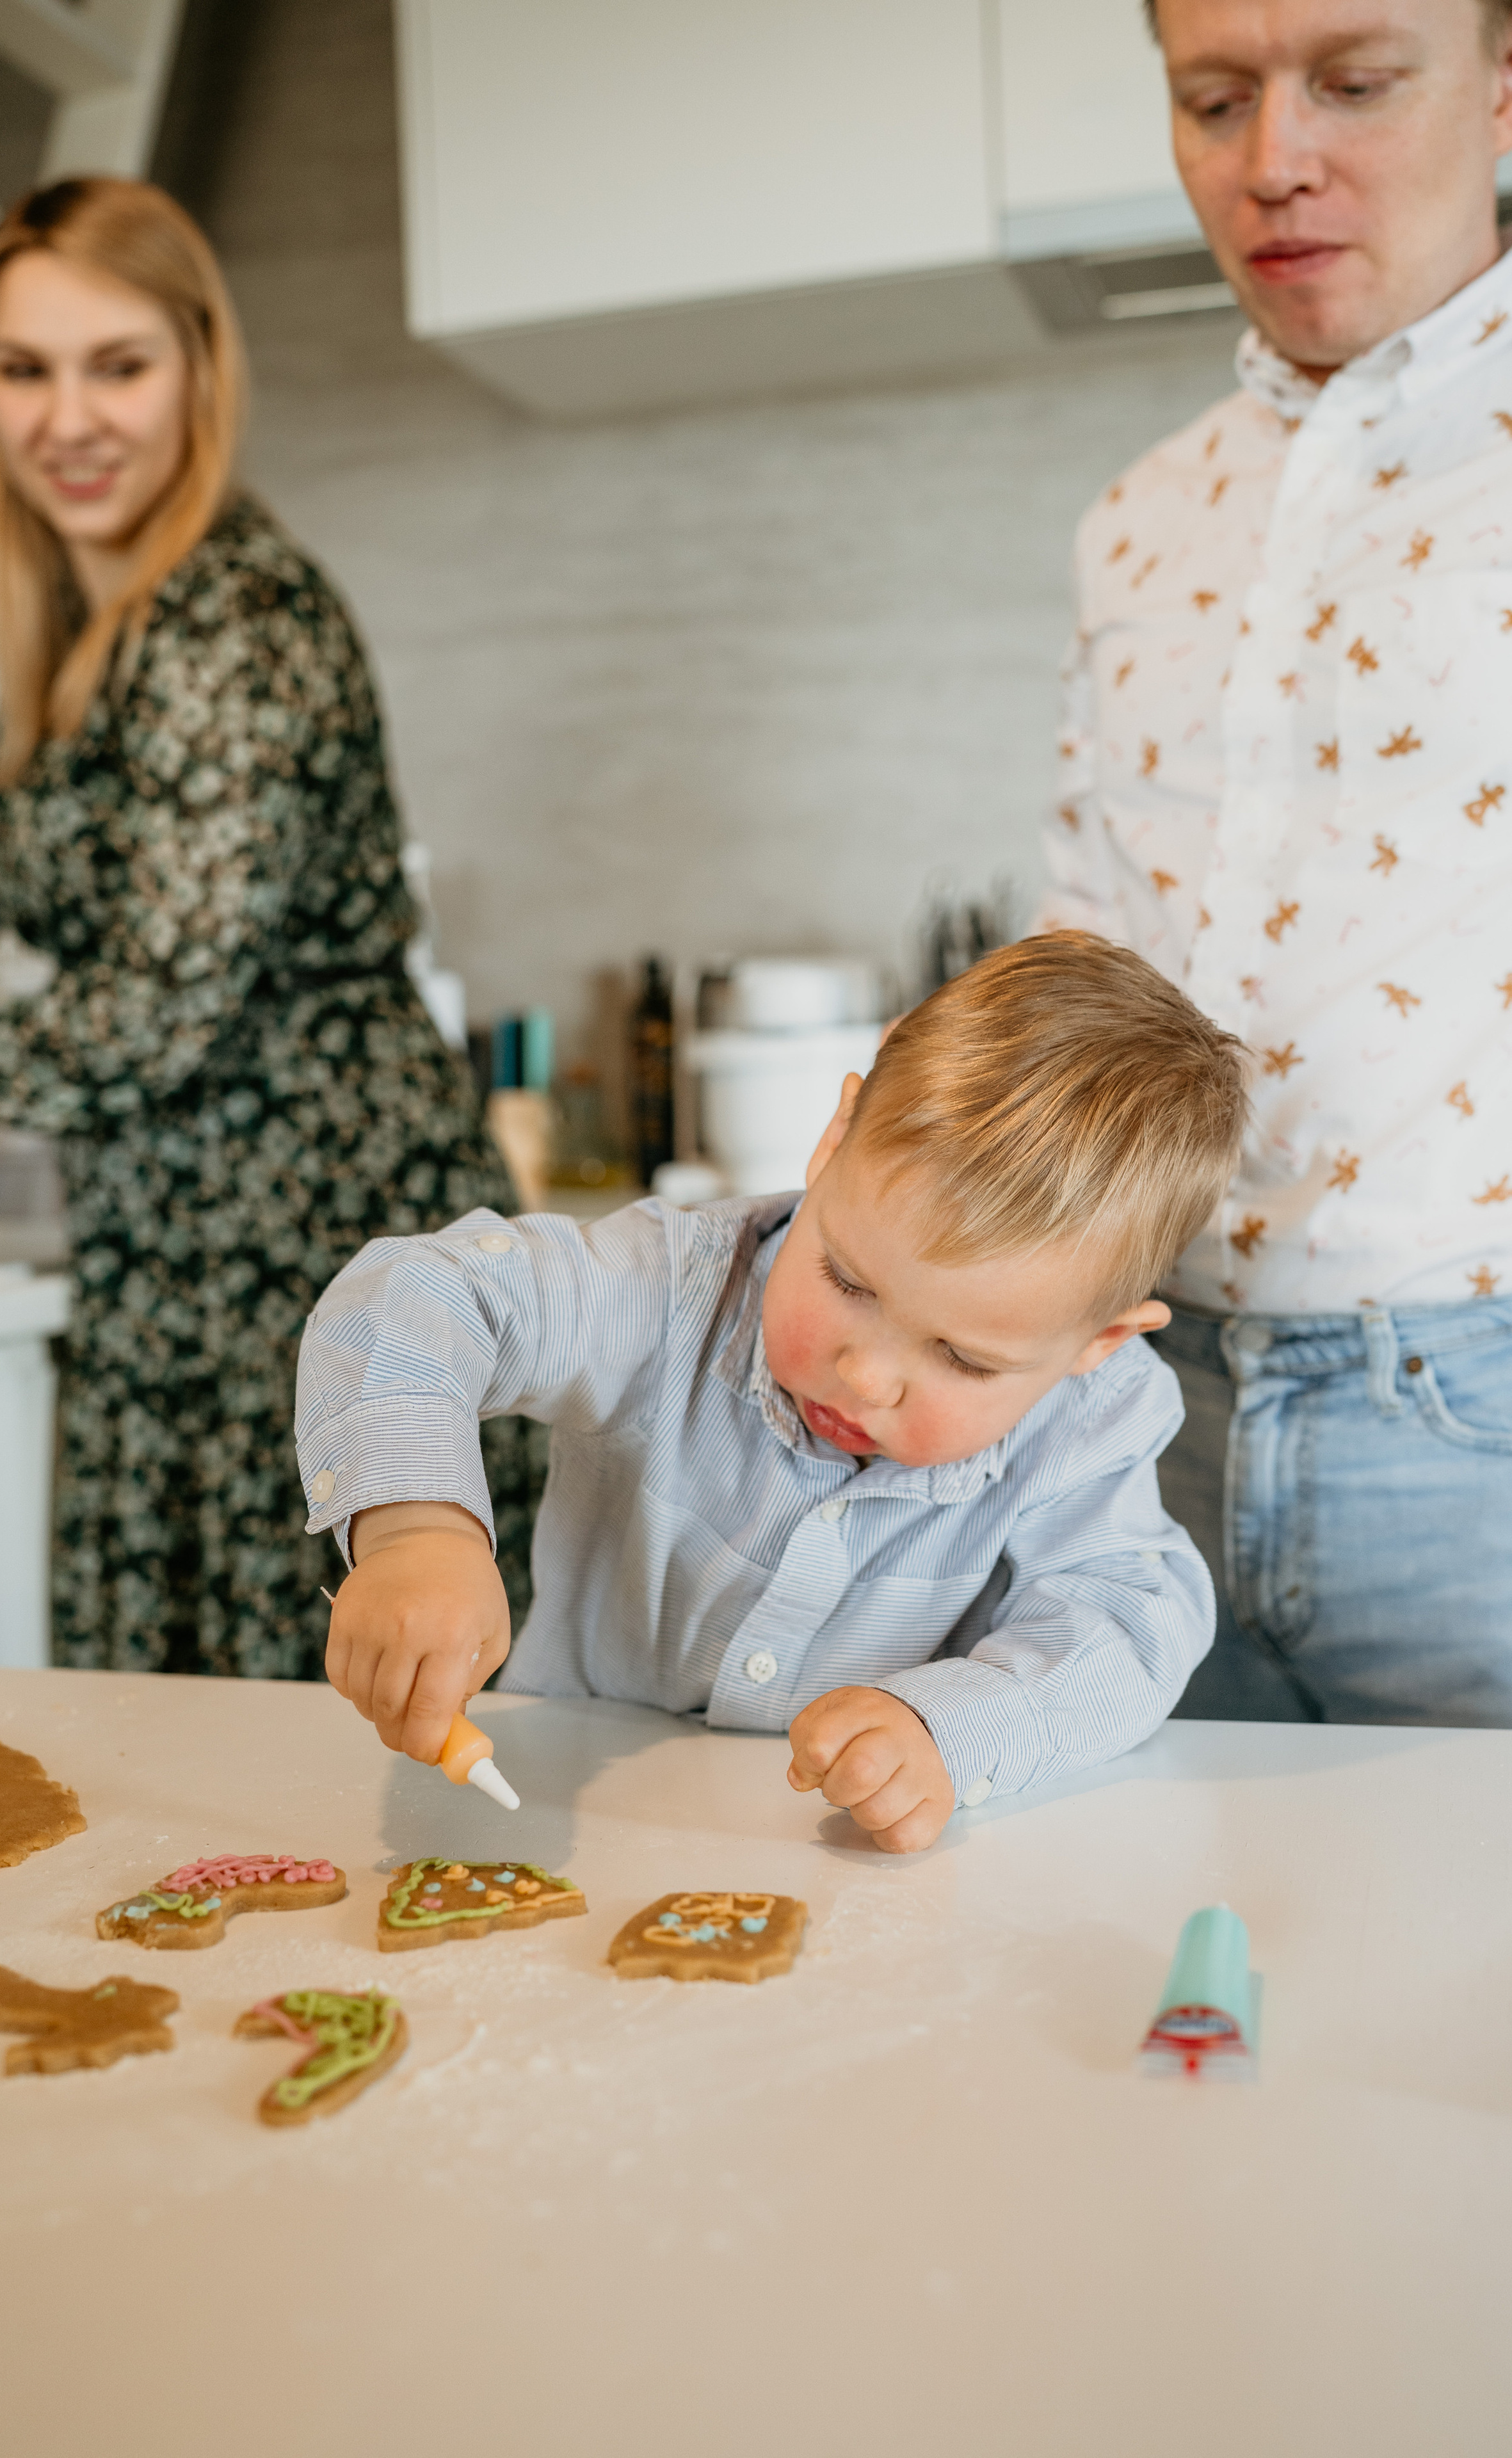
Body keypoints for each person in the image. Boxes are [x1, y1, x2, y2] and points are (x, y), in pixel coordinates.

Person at [0, 177, 540, 1676]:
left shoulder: (240, 625)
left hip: (313, 1245)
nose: (70, 419)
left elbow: (156, 1006)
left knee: (318, 1733)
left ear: (198, 368)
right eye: (24, 368)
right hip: (165, 1258)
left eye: (119, 364)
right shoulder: (81, 641)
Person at [296, 934, 1247, 1854]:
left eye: (964, 1358)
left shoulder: (1092, 1425)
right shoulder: (671, 1288)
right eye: (849, 1283)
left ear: (1100, 1341)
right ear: (832, 1143)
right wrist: (416, 1530)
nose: (867, 1374)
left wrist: (950, 1731)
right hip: (554, 1813)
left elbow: (1127, 1628)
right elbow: (419, 1296)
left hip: (842, 1866)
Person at [1043, 0, 1512, 1723]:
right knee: (1161, 1960)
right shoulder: (1136, 521)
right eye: (1215, 99)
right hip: (1139, 1413)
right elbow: (1085, 934)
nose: (1274, 161)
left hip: (1476, 1427)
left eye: (1358, 83)